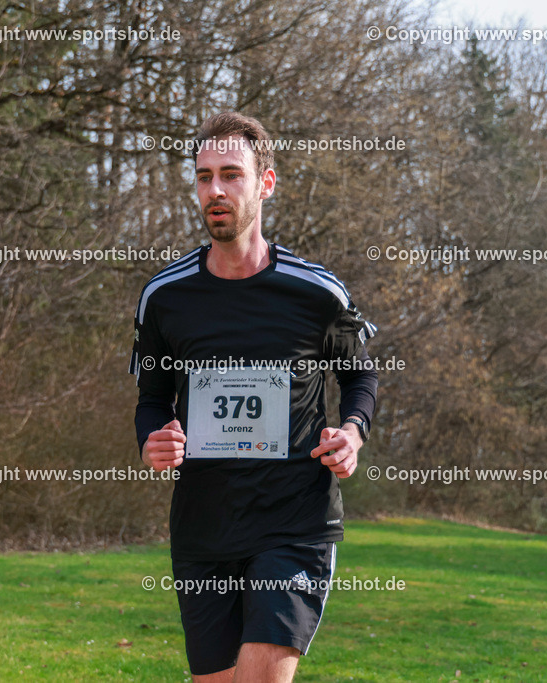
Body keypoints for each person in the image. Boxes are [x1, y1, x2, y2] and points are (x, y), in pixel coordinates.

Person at [129, 112, 378, 682]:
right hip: (204, 527)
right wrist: (152, 439)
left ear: (265, 183)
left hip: (294, 523)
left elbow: (360, 378)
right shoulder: (165, 298)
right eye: (203, 177)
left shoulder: (316, 294)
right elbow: (152, 399)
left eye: (231, 175)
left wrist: (353, 433)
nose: (214, 190)